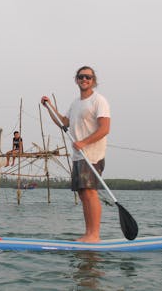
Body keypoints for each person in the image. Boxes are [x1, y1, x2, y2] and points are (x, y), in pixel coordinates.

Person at [41, 66, 110, 243]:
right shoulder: (76, 103)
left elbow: (105, 129)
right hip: (78, 155)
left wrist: (84, 142)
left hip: (92, 154)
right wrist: (49, 107)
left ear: (93, 80)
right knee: (82, 193)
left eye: (88, 77)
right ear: (76, 80)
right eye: (81, 77)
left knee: (90, 192)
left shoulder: (98, 100)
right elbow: (63, 122)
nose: (84, 79)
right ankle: (88, 233)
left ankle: (94, 235)